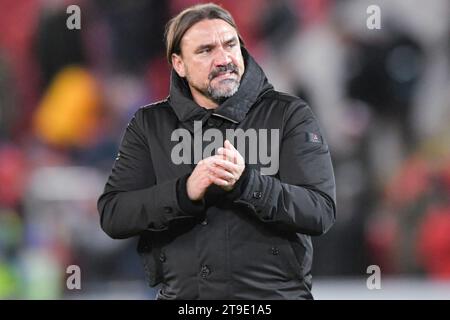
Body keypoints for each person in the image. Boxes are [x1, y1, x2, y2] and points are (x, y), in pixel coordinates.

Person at [98, 3, 336, 300]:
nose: (223, 59)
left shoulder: (288, 114)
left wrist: (249, 184)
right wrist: (183, 193)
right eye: (206, 50)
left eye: (230, 44)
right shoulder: (150, 124)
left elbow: (320, 210)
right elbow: (114, 214)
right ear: (179, 64)